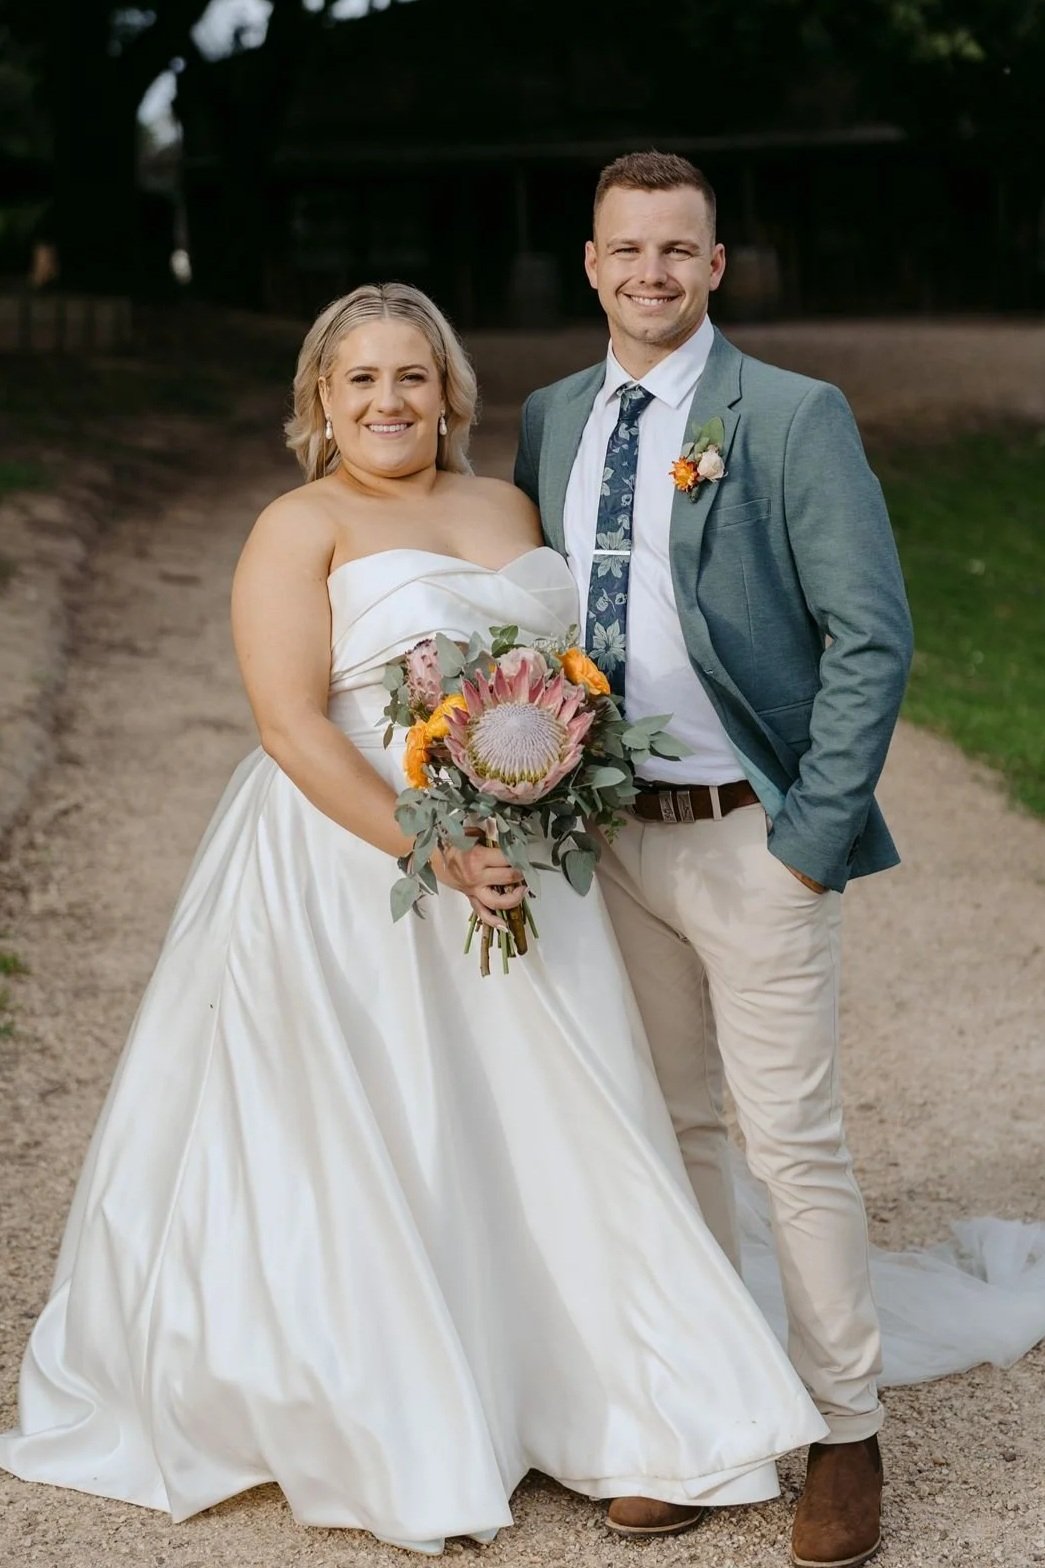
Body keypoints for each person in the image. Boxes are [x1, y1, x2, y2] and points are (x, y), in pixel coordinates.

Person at [0, 283, 829, 1555]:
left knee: (556, 1123)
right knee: (396, 1121)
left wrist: (547, 787)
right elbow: (288, 726)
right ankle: (409, 1397)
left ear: (451, 391)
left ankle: (604, 1390)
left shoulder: (503, 506)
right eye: (361, 382)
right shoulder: (300, 525)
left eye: (412, 377)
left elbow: (558, 679)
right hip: (358, 865)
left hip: (530, 858)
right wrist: (433, 847)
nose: (390, 402)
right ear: (319, 403)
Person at [514, 151, 914, 1568]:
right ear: (590, 262)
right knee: (668, 1126)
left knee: (786, 1136)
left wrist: (806, 843)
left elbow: (873, 637)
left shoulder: (792, 417)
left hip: (754, 836)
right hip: (609, 839)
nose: (651, 274)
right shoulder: (553, 419)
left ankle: (845, 1427)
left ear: (717, 265)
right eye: (628, 251)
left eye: (678, 251)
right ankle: (703, 1407)